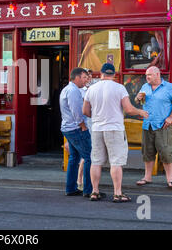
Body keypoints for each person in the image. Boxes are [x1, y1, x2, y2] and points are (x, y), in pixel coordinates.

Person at [83, 63, 149, 202]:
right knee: (116, 162)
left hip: (97, 129)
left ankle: (94, 192)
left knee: (96, 162)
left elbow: (85, 111)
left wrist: (97, 117)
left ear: (101, 74)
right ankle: (117, 193)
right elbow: (129, 109)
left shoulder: (91, 89)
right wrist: (140, 111)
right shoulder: (119, 88)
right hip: (114, 128)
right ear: (113, 74)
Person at [135, 66, 172, 189]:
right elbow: (138, 100)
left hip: (163, 125)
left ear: (157, 74)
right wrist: (137, 98)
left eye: (149, 75)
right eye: (146, 75)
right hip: (148, 124)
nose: (147, 77)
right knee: (147, 152)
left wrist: (171, 117)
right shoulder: (145, 87)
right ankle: (147, 177)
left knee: (166, 152)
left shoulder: (169, 87)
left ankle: (170, 179)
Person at [60, 68, 93, 198]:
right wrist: (83, 126)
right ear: (77, 77)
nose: (86, 80)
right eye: (85, 77)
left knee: (74, 158)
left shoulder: (66, 89)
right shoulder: (73, 91)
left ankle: (71, 188)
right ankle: (89, 190)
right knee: (90, 157)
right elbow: (76, 112)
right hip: (76, 128)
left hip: (68, 128)